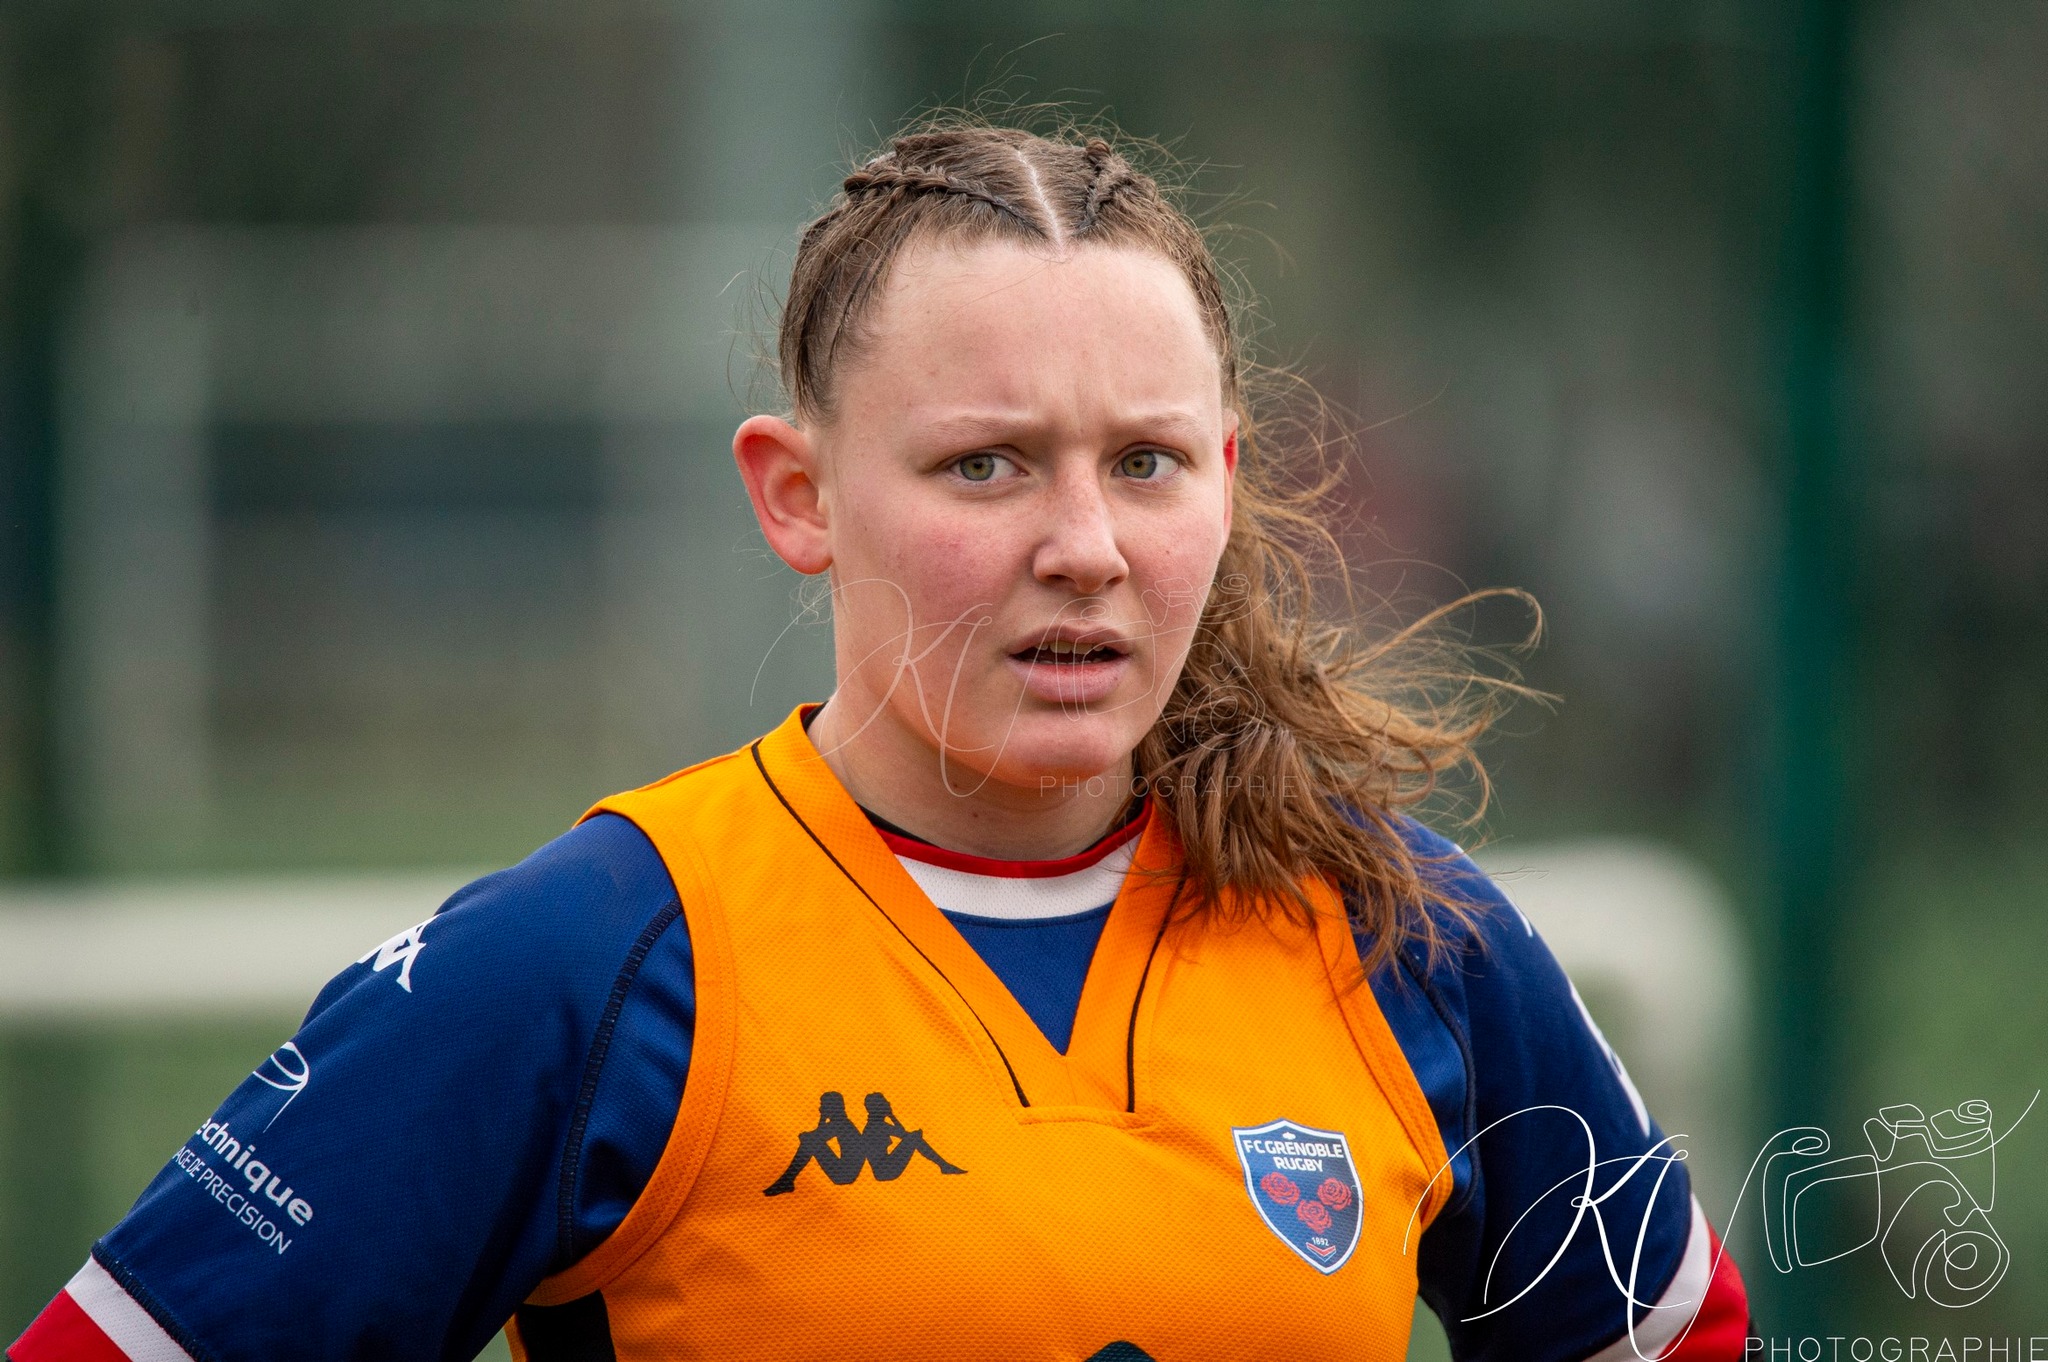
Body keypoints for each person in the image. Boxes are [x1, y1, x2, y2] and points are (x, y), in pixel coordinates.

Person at [8, 121, 1752, 1362]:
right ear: (800, 493)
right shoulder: (595, 962)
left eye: (1143, 462)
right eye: (986, 463)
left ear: (1223, 482)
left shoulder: (1404, 940)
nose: (1084, 541)